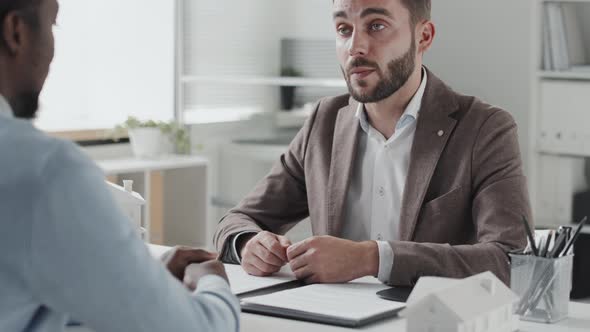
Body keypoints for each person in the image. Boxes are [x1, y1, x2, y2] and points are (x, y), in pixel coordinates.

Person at [214, 0, 531, 287]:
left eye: (376, 25)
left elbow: (510, 260)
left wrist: (372, 258)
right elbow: (237, 220)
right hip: (327, 320)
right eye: (343, 29)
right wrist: (248, 243)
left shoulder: (485, 129)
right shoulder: (323, 121)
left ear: (424, 37)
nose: (355, 46)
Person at [0, 0, 239, 331]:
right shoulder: (44, 170)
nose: (53, 53)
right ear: (17, 32)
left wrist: (136, 281)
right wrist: (214, 284)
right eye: (53, 26)